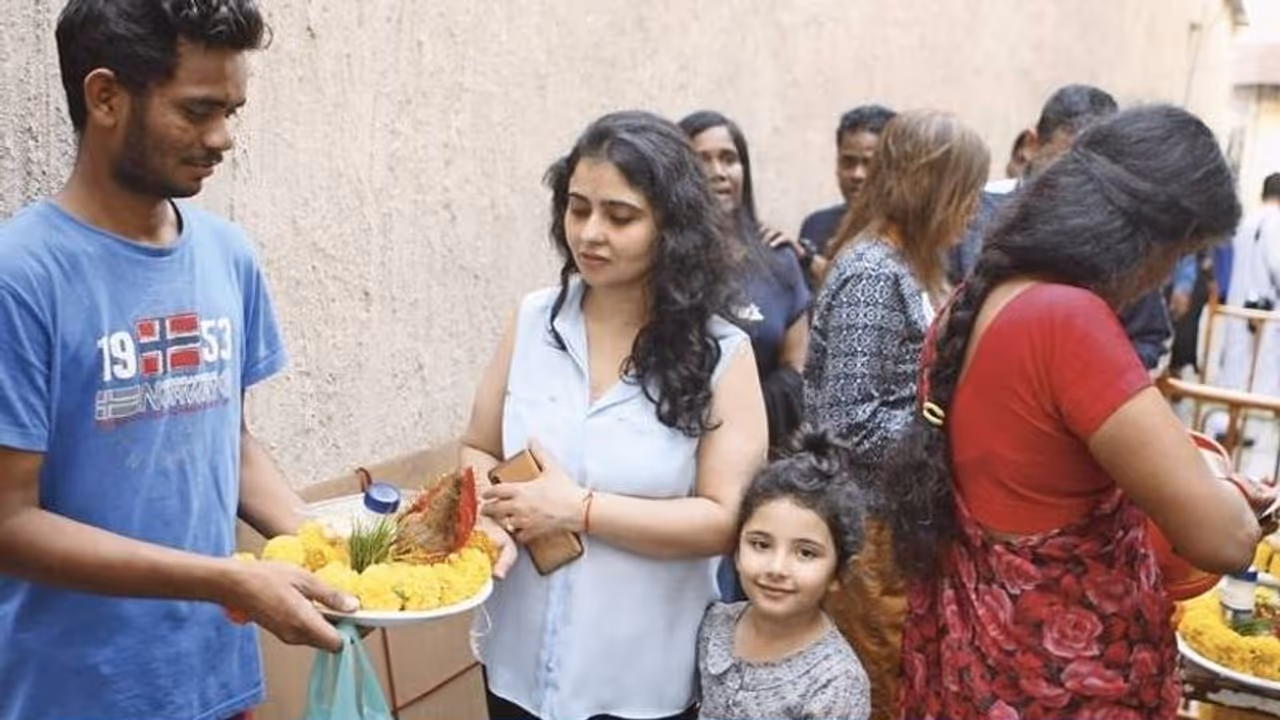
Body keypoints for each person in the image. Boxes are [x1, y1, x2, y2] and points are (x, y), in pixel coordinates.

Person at [0, 3, 357, 720]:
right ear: (105, 97)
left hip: (214, 681)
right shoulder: (22, 276)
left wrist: (332, 556)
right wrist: (225, 581)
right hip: (74, 695)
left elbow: (230, 441)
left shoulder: (228, 254)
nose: (222, 138)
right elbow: (10, 522)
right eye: (197, 110)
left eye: (231, 111)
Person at [886, 105, 1272, 719]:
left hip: (976, 666)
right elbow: (1223, 539)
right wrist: (1229, 492)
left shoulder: (979, 298)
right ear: (1146, 237)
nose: (1165, 277)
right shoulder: (1068, 322)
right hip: (1055, 680)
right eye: (1180, 253)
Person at [460, 110, 768, 720]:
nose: (591, 233)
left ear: (672, 227)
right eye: (578, 209)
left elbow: (724, 519)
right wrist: (487, 517)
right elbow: (478, 446)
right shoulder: (533, 320)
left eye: (620, 217)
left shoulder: (722, 354)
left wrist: (579, 509)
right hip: (516, 660)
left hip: (641, 678)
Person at [803, 110, 989, 720]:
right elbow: (849, 421)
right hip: (866, 531)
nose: (972, 212)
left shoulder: (908, 264)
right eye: (966, 193)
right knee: (873, 688)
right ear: (929, 187)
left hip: (894, 524)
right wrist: (954, 433)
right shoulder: (873, 274)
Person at [948, 84, 1175, 374]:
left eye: (1094, 171)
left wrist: (1086, 379)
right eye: (1066, 163)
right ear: (1031, 145)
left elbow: (1147, 340)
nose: (1076, 181)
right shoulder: (972, 215)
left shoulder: (1123, 241)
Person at [696, 431, 871, 720]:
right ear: (736, 551)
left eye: (805, 553)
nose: (776, 568)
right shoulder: (715, 625)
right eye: (761, 545)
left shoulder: (836, 683)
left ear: (839, 573)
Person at [679, 111, 811, 452]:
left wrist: (745, 414)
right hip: (679, 441)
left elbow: (796, 367)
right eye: (703, 159)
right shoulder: (664, 260)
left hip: (764, 447)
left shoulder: (779, 262)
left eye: (729, 159)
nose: (719, 172)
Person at [794, 105, 897, 283]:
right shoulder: (816, 226)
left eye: (869, 163)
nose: (857, 175)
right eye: (848, 162)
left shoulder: (917, 234)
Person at [1215, 172, 1280, 394]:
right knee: (1262, 373)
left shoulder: (1246, 221)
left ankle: (1227, 412)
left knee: (1234, 365)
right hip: (1267, 310)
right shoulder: (1276, 222)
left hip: (1237, 302)